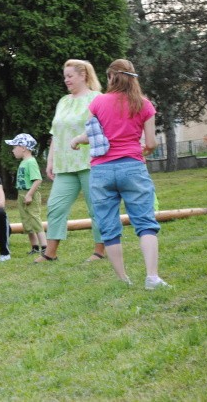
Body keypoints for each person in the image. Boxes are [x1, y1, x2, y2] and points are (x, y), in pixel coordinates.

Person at [70, 58, 170, 290]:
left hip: (101, 171)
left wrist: (76, 140)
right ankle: (152, 278)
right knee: (145, 222)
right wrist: (144, 149)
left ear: (110, 77)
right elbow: (151, 143)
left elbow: (91, 135)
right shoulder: (144, 104)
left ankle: (123, 280)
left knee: (108, 225)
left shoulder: (98, 102)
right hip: (132, 167)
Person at [39, 59, 106, 263]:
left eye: (70, 76)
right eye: (65, 76)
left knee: (96, 207)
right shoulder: (63, 101)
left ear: (83, 75)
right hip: (64, 165)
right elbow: (56, 133)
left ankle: (100, 251)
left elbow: (103, 129)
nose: (66, 80)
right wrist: (50, 160)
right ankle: (50, 253)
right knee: (55, 206)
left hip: (90, 162)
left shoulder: (97, 98)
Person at [4, 133, 47, 259]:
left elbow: (38, 180)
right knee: (26, 221)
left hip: (29, 194)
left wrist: (29, 195)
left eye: (14, 147)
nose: (13, 150)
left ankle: (45, 246)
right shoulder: (23, 162)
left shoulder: (31, 162)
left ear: (23, 147)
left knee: (34, 219)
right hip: (21, 194)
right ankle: (34, 247)